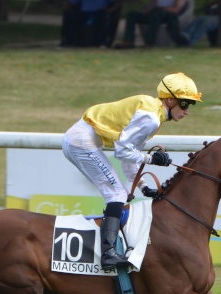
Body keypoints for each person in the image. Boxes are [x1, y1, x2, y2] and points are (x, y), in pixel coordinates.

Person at [62, 72, 202, 271]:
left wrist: (144, 187)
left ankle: (109, 250)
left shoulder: (153, 113)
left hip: (79, 139)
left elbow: (128, 155)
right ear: (170, 100)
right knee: (116, 194)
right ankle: (108, 254)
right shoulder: (151, 118)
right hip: (81, 142)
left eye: (191, 105)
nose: (187, 111)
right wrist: (151, 159)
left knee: (116, 194)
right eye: (185, 104)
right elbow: (122, 151)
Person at [114, 0, 190, 48]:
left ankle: (149, 42)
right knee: (132, 15)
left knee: (156, 13)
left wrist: (161, 8)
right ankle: (128, 40)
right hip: (154, 13)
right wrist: (145, 11)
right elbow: (154, 4)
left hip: (168, 16)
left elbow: (176, 10)